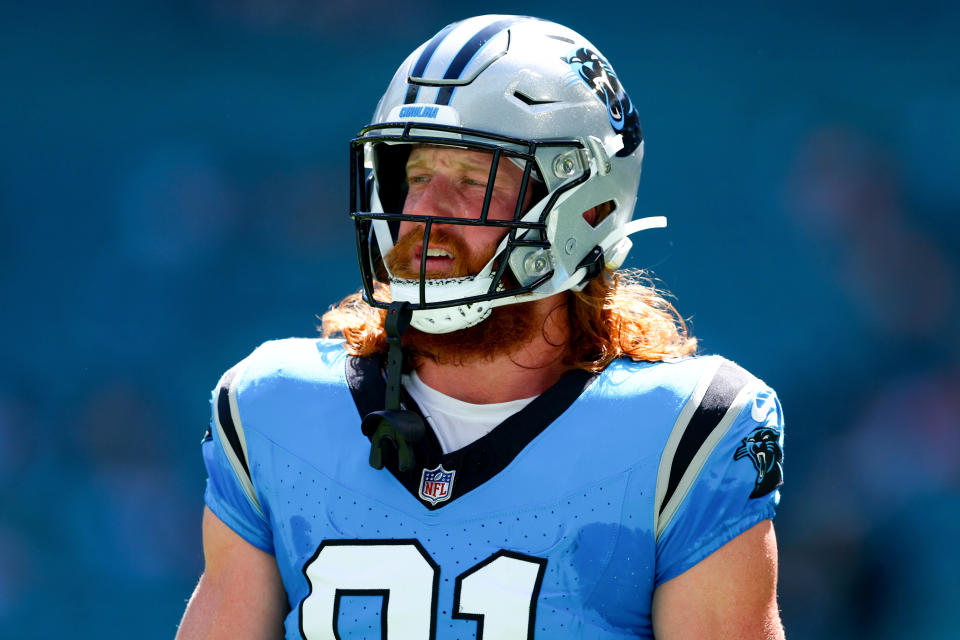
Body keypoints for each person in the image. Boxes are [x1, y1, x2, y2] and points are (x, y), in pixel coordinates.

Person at [177, 14, 786, 640]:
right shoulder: (274, 407)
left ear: (583, 203)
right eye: (414, 175)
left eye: (475, 178)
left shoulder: (685, 431)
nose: (424, 211)